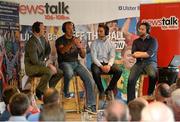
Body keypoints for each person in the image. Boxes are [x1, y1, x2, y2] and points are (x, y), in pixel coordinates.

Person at [55, 21, 96, 113]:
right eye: (69, 28)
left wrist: (81, 47)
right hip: (64, 63)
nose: (71, 30)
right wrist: (72, 43)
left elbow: (83, 56)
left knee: (90, 79)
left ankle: (90, 105)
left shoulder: (76, 39)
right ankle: (66, 92)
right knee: (69, 72)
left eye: (72, 28)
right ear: (64, 29)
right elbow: (62, 51)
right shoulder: (60, 40)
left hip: (76, 63)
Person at [24, 21, 62, 99]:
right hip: (32, 67)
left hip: (41, 65)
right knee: (49, 71)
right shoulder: (31, 43)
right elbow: (35, 61)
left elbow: (48, 51)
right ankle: (39, 90)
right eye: (42, 28)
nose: (44, 30)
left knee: (60, 72)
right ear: (36, 30)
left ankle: (50, 90)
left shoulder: (42, 38)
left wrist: (47, 42)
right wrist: (47, 64)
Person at [127, 22, 158, 103]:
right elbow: (134, 54)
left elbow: (149, 54)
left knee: (153, 74)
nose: (140, 30)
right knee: (130, 80)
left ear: (147, 30)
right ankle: (131, 102)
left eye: (142, 29)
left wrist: (140, 54)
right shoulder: (136, 41)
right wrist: (143, 54)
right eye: (139, 29)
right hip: (139, 63)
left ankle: (150, 93)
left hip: (150, 62)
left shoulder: (153, 40)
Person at [91, 23, 122, 99]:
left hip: (108, 64)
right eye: (98, 31)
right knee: (95, 71)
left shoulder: (111, 43)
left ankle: (109, 89)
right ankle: (101, 90)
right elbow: (94, 58)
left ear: (106, 32)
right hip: (98, 64)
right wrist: (101, 66)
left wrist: (109, 65)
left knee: (119, 70)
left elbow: (112, 57)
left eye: (101, 31)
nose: (98, 33)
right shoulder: (94, 43)